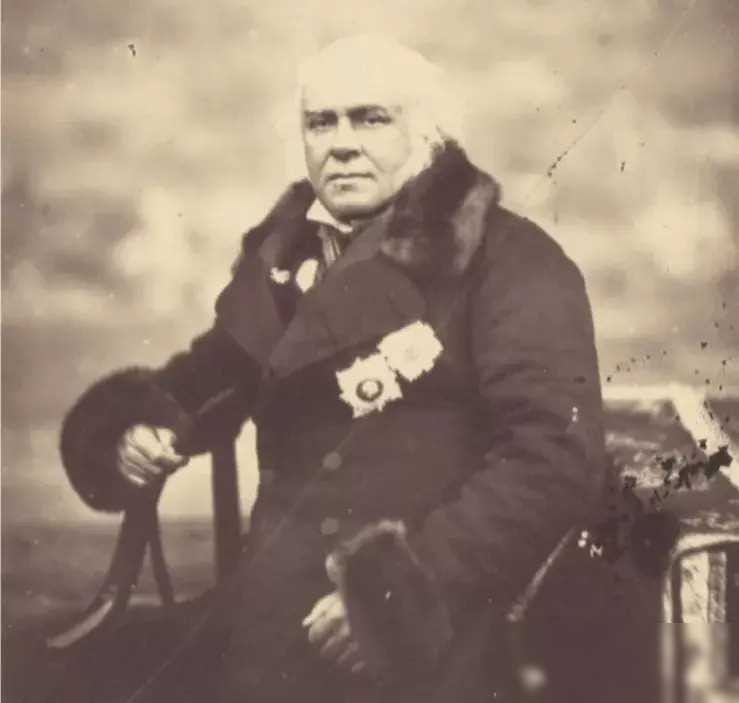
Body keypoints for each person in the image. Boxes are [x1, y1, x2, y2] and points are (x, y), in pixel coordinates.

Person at [60, 35, 606, 703]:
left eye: (371, 118)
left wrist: (397, 591)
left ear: (429, 135)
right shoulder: (285, 255)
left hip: (428, 629)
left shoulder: (511, 259)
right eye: (321, 122)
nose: (341, 144)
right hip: (272, 612)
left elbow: (553, 455)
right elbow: (211, 376)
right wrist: (137, 427)